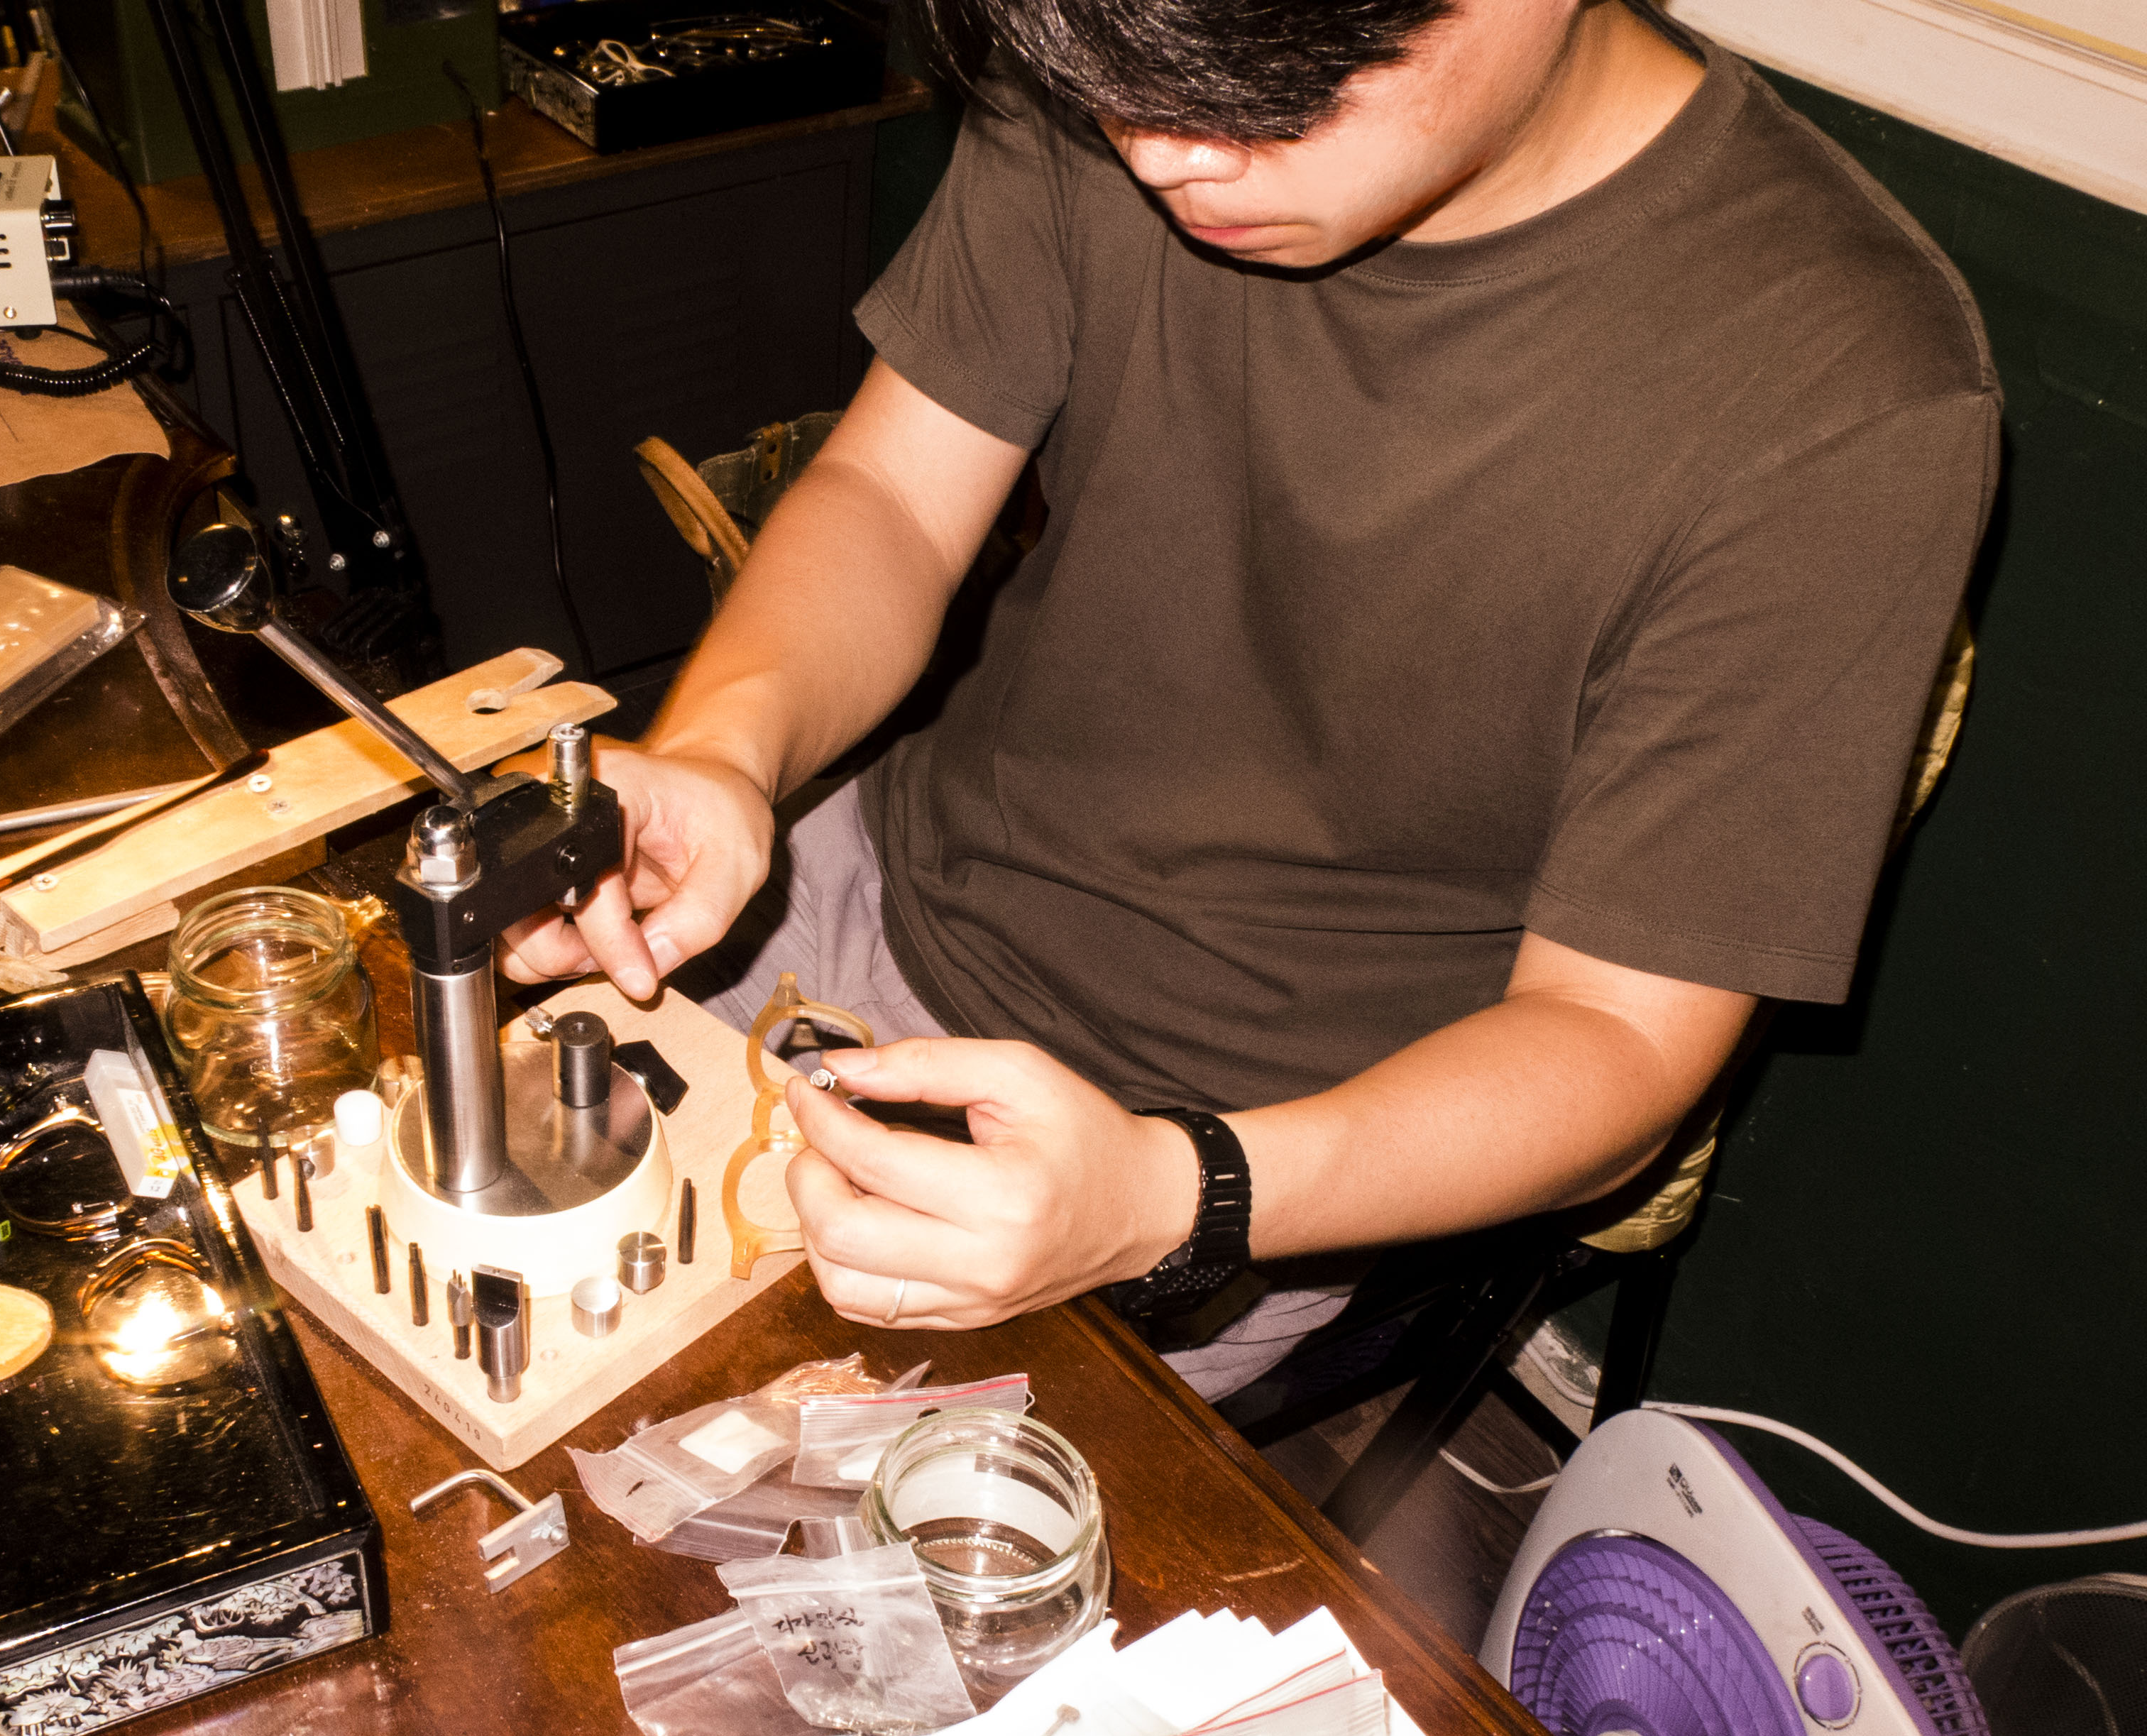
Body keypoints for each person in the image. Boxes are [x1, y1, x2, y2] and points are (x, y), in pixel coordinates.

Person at [505, 0, 1998, 1399]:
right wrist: (723, 753)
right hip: (861, 887)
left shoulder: (1843, 391)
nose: (1159, 153)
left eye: (1262, 94)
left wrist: (1176, 1197)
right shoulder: (1120, 42)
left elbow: (1615, 1040)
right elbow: (896, 494)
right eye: (1109, 91)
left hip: (1225, 1150)